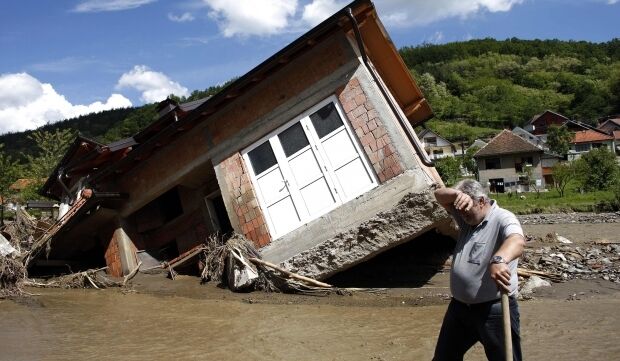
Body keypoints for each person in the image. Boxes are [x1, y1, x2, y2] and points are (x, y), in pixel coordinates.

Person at [432, 179, 525, 361]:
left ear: (481, 202)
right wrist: (457, 196)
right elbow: (438, 196)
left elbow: (517, 241)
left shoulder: (503, 217)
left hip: (494, 310)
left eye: (466, 208)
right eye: (458, 209)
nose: (461, 214)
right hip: (460, 309)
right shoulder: (467, 218)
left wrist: (499, 259)